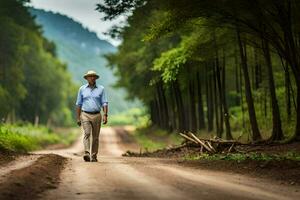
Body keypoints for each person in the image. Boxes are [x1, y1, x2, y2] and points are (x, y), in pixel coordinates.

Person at [75, 70, 108, 162]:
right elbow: (78, 104)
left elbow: (104, 103)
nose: (92, 78)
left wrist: (105, 115)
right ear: (87, 78)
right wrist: (78, 118)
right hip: (85, 114)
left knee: (96, 137)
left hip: (97, 115)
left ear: (96, 78)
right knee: (87, 133)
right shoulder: (82, 89)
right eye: (90, 76)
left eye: (93, 76)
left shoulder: (101, 89)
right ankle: (86, 153)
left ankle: (94, 156)